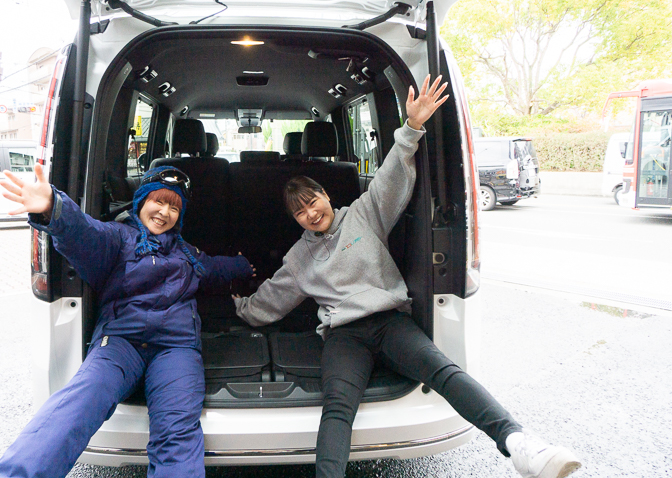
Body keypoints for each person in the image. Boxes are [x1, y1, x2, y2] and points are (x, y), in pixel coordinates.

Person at [231, 75, 582, 478]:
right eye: (300, 212)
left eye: (313, 202)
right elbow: (270, 301)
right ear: (294, 219)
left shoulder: (363, 214)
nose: (311, 213)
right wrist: (237, 307)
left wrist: (412, 126)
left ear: (326, 195)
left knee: (444, 371)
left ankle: (521, 444)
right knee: (338, 407)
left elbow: (390, 177)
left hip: (390, 323)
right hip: (344, 336)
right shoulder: (298, 258)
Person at [0, 165, 255, 478]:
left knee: (177, 432)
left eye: (174, 207)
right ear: (141, 201)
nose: (164, 212)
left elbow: (216, 268)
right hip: (121, 343)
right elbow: (84, 233)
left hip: (176, 348)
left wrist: (245, 265)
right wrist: (53, 207)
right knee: (78, 404)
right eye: (158, 201)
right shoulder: (118, 237)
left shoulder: (187, 253)